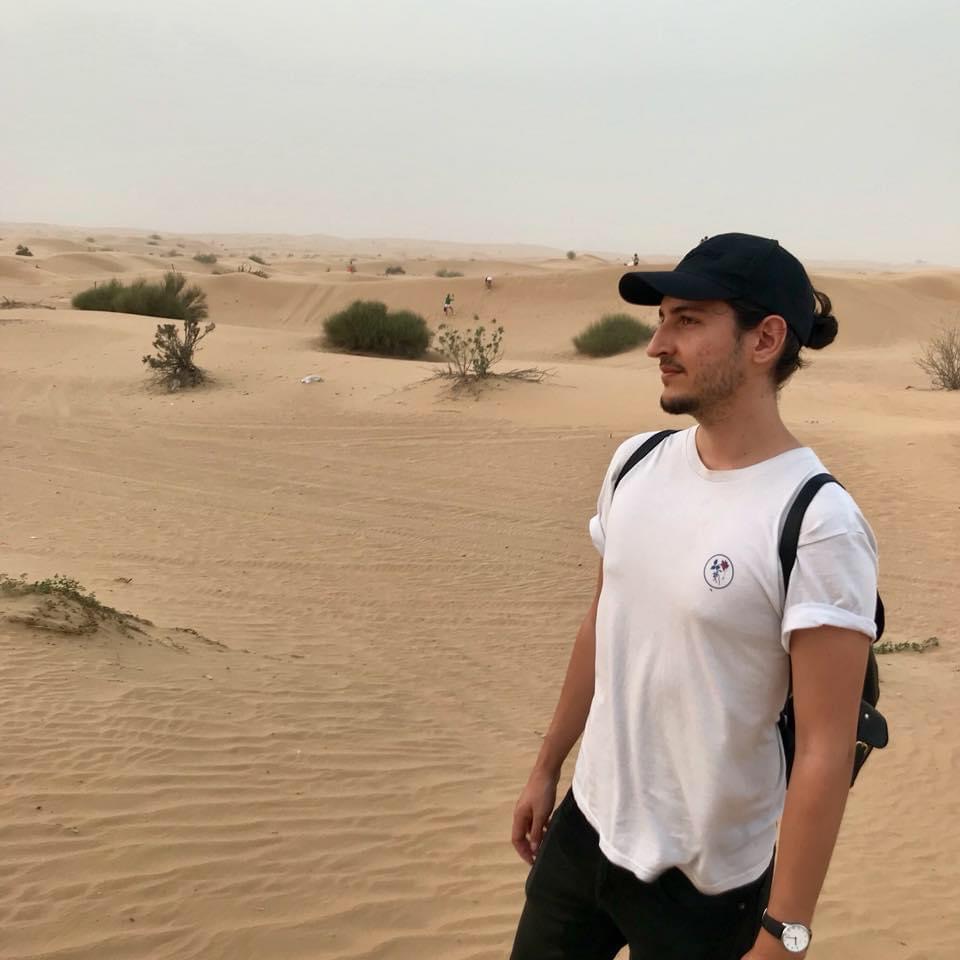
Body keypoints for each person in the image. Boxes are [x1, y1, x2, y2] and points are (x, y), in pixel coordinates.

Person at [509, 232, 878, 960]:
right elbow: (601, 623)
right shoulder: (635, 463)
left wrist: (786, 933)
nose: (658, 344)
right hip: (585, 833)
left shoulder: (817, 521)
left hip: (709, 883)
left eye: (687, 321)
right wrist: (548, 765)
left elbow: (827, 749)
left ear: (765, 339)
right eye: (661, 320)